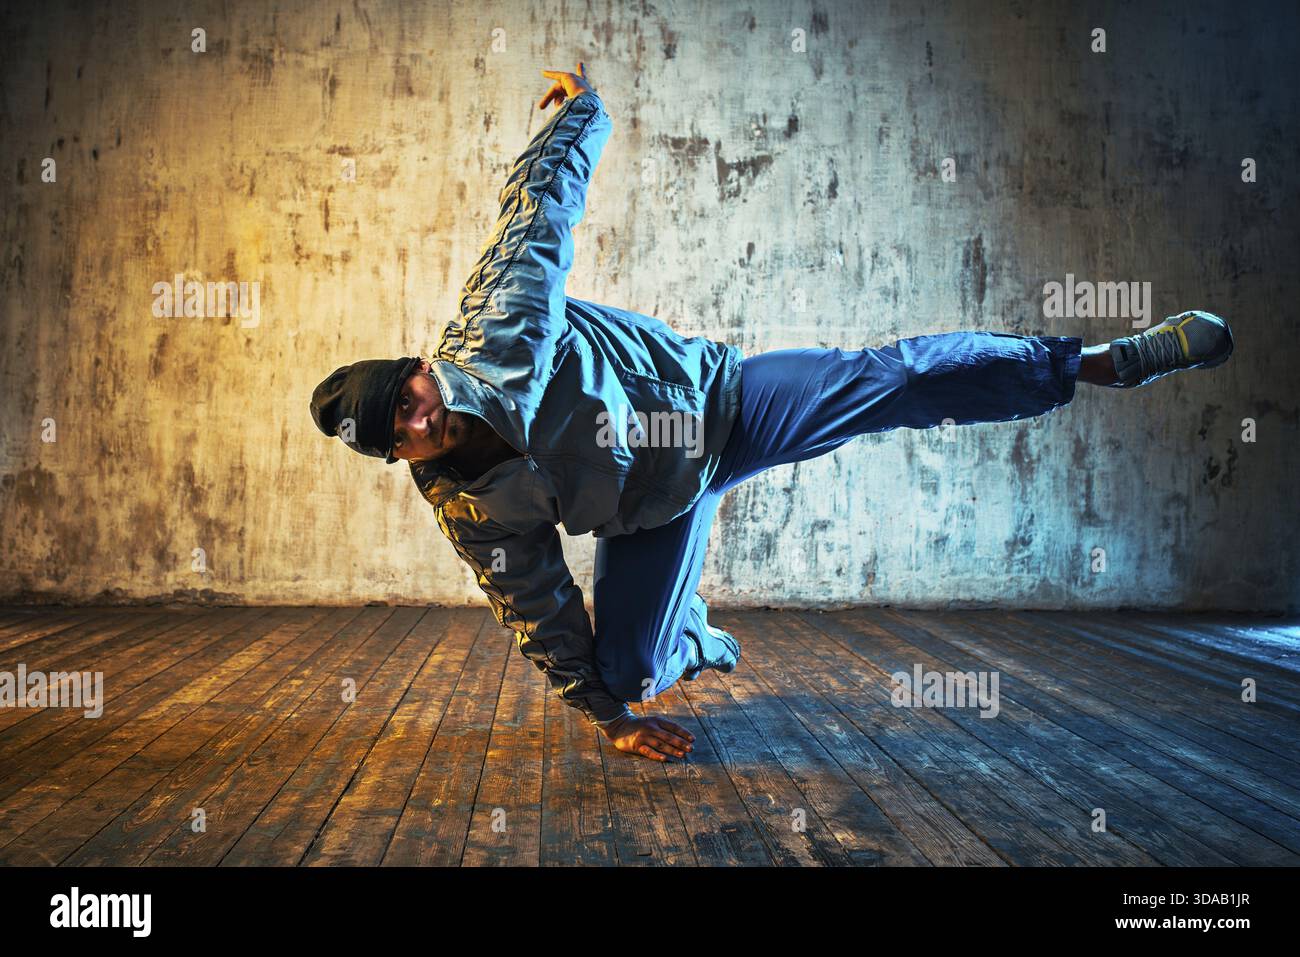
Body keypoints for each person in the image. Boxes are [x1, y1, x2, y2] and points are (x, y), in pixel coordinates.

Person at [309, 63, 1234, 762]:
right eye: (394, 436)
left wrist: (580, 112)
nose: (416, 425)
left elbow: (539, 211)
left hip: (724, 404)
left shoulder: (495, 321)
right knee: (622, 668)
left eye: (408, 400)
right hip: (654, 511)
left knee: (894, 381)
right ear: (392, 457)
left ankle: (1105, 363)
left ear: (422, 368)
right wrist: (613, 719)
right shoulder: (467, 508)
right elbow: (536, 604)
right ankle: (693, 636)